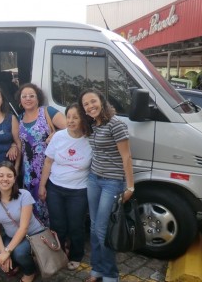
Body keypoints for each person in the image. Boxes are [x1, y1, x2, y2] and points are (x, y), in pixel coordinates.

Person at [78, 88, 135, 282]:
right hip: (94, 179)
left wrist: (130, 186)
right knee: (94, 228)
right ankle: (97, 269)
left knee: (102, 230)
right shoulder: (93, 125)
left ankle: (111, 275)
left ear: (101, 101)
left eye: (93, 101)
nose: (90, 106)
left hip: (112, 182)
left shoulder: (115, 124)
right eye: (86, 104)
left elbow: (126, 156)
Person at [38, 103, 92, 271]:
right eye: (68, 117)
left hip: (79, 190)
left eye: (76, 117)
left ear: (83, 119)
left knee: (76, 225)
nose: (71, 121)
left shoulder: (90, 139)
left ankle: (76, 255)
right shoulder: (59, 136)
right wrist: (42, 186)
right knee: (58, 225)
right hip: (55, 188)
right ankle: (59, 253)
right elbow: (48, 161)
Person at [15, 83, 66, 226]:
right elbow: (19, 142)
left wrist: (55, 133)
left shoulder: (47, 112)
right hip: (29, 173)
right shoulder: (19, 118)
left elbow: (71, 129)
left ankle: (57, 241)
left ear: (38, 98)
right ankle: (40, 241)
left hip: (49, 169)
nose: (28, 99)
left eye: (32, 96)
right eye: (24, 96)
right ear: (20, 100)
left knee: (53, 207)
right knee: (33, 207)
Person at [0, 161, 43, 282]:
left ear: (14, 179)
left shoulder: (24, 195)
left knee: (18, 252)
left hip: (32, 234)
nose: (5, 179)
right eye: (1, 175)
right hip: (12, 236)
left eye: (9, 176)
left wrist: (7, 252)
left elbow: (23, 228)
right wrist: (3, 253)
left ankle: (30, 272)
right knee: (2, 251)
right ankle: (17, 264)